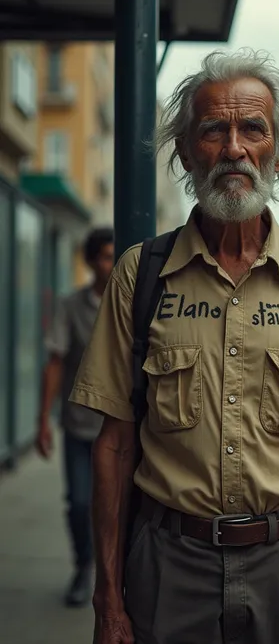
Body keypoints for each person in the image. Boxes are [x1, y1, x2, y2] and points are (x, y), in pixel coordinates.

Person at [70, 49, 279, 644]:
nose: (235, 147)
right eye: (214, 130)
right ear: (188, 151)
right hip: (168, 567)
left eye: (253, 128)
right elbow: (112, 447)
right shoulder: (140, 276)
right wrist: (108, 598)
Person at [37, 227, 114, 607]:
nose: (110, 265)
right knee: (81, 503)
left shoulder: (131, 303)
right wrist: (41, 423)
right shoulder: (70, 306)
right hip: (79, 426)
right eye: (103, 257)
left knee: (120, 506)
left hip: (119, 430)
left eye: (115, 256)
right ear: (89, 261)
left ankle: (113, 576)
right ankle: (85, 567)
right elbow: (54, 362)